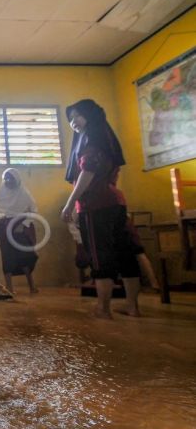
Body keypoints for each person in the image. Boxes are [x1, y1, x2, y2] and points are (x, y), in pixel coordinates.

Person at [61, 99, 140, 318]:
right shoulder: (106, 141)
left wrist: (70, 203)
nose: (73, 121)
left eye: (77, 115)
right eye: (70, 118)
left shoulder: (91, 144)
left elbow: (87, 173)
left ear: (90, 115)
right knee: (126, 254)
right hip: (116, 202)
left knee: (100, 255)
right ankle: (133, 307)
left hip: (95, 205)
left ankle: (103, 308)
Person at [0, 168, 39, 294]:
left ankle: (32, 286)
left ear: (17, 179)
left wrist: (23, 224)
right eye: (6, 178)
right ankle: (9, 288)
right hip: (5, 227)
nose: (8, 181)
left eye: (11, 178)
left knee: (25, 257)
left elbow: (33, 211)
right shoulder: (1, 193)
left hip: (20, 228)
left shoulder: (24, 194)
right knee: (7, 257)